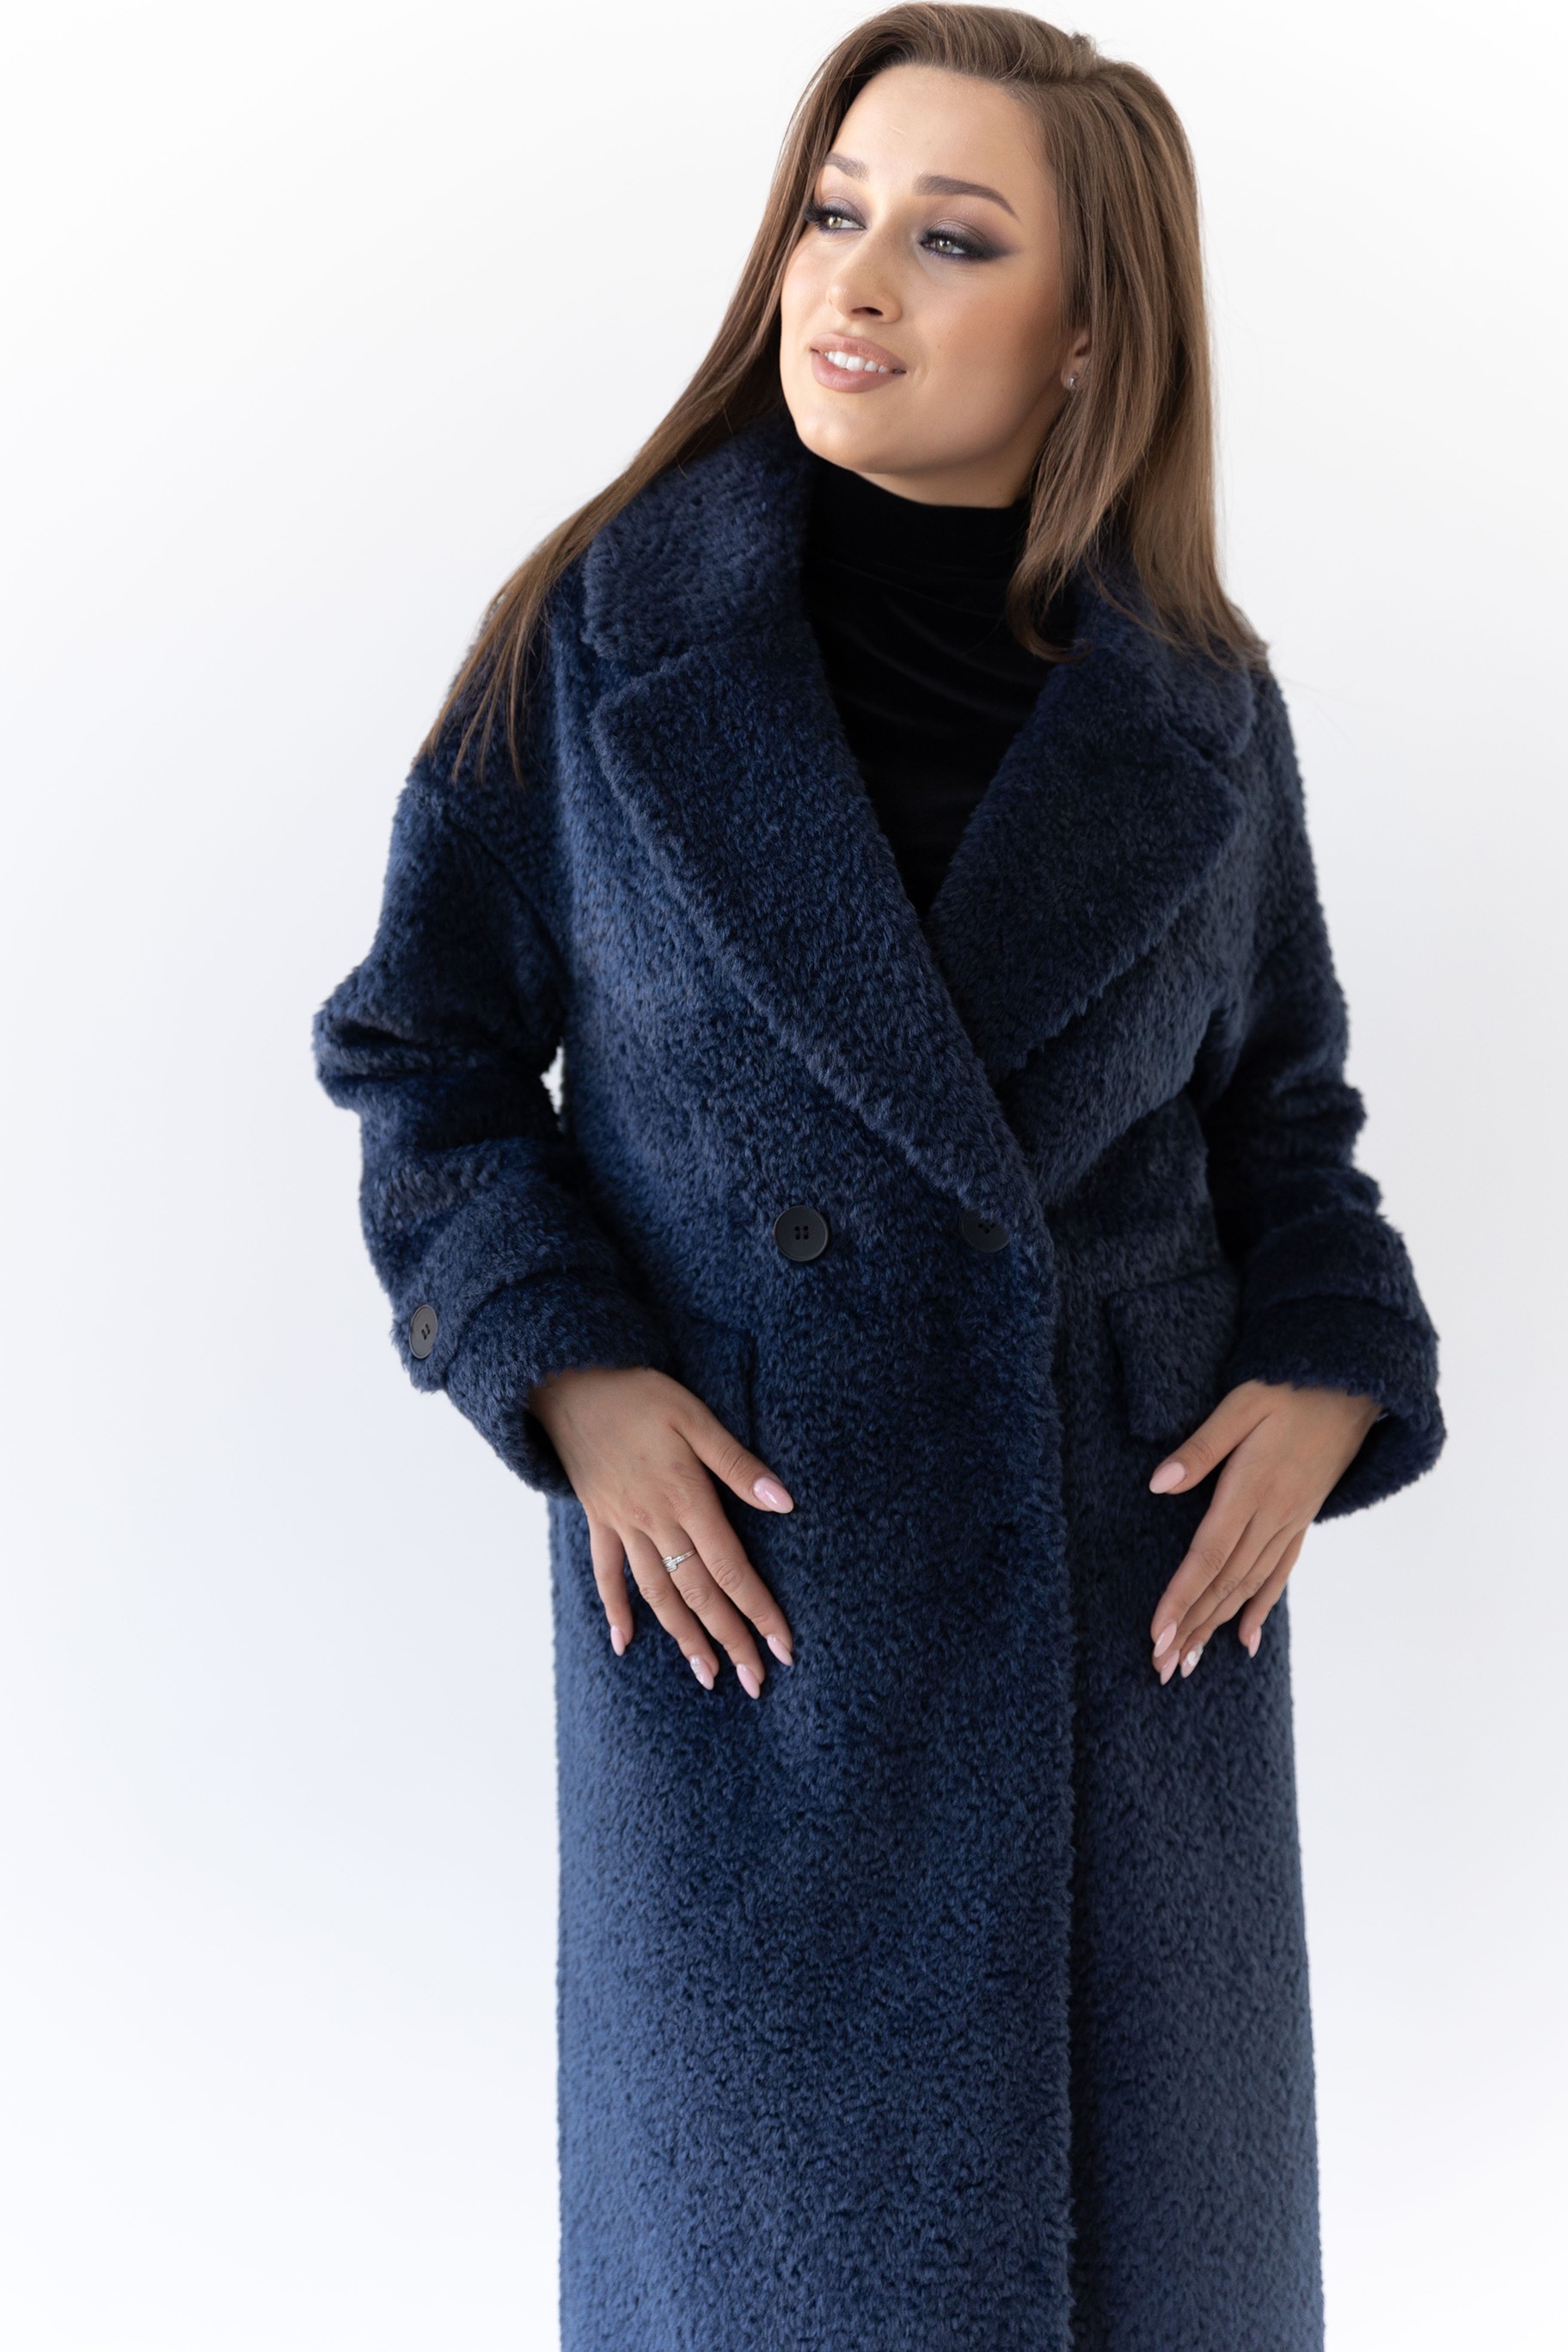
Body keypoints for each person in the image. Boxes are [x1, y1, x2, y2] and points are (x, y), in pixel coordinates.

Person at [312, 9, 1443, 2347]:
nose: (853, 277)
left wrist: (1330, 1370)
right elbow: (420, 1051)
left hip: (1128, 1635)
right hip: (759, 1619)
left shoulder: (1197, 711)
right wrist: (573, 1377)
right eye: (834, 211)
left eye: (953, 238)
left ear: (1089, 332)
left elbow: (1286, 1119)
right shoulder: (606, 641)